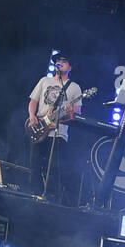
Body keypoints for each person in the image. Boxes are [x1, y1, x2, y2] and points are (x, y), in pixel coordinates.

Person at [25, 52, 81, 201]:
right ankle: (34, 195)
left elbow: (77, 112)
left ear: (70, 67)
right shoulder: (45, 81)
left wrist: (70, 110)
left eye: (64, 61)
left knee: (53, 168)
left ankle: (49, 198)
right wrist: (32, 116)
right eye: (58, 60)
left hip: (58, 132)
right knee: (35, 164)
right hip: (39, 126)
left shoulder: (74, 87)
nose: (60, 62)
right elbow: (33, 101)